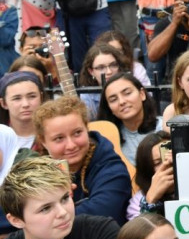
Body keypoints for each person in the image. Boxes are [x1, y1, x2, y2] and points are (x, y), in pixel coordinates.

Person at [0, 156, 120, 239]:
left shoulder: (101, 233)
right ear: (16, 220)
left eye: (65, 198)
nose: (62, 212)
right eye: (45, 208)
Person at [33, 95, 132, 225]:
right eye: (59, 138)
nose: (71, 145)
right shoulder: (35, 172)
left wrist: (41, 218)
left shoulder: (112, 169)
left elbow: (100, 214)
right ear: (43, 142)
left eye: (77, 133)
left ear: (87, 128)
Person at [98, 73, 160, 165]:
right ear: (109, 108)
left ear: (142, 94)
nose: (122, 102)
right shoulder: (107, 139)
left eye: (127, 93)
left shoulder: (164, 127)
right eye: (113, 100)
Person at [78, 43, 132, 121]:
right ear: (91, 71)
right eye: (101, 67)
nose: (109, 72)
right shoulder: (87, 95)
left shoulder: (130, 84)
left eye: (113, 65)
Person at [127, 131, 174, 220]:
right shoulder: (138, 202)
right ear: (147, 169)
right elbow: (141, 232)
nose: (167, 163)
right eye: (157, 163)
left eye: (171, 157)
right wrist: (150, 201)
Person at [0, 70, 46, 150]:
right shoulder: (2, 137)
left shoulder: (53, 133)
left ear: (41, 97)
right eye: (17, 98)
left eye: (32, 96)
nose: (26, 104)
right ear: (4, 103)